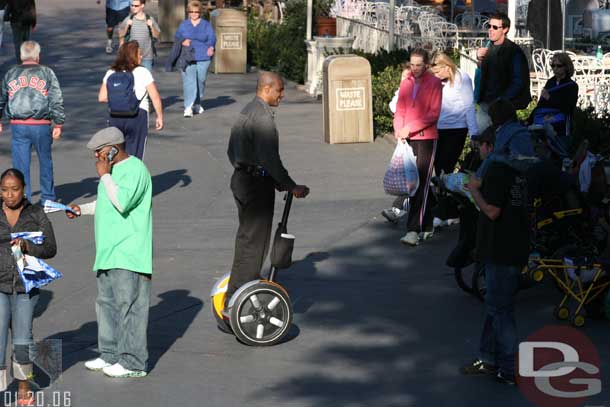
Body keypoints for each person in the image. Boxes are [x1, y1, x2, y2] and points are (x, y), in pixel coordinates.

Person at [66, 127, 152, 378]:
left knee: (129, 306)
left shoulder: (136, 169)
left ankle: (133, 362)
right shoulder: (111, 174)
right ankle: (110, 354)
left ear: (113, 149)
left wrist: (105, 176)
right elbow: (106, 203)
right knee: (106, 305)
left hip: (129, 252)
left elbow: (122, 202)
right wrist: (82, 209)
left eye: (99, 153)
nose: (97, 159)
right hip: (108, 251)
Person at [225, 72, 309, 305]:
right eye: (280, 90)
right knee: (254, 244)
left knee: (246, 239)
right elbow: (270, 159)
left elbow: (231, 150)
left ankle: (238, 288)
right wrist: (291, 186)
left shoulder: (247, 110)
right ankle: (237, 295)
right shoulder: (262, 118)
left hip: (242, 179)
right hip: (255, 185)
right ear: (266, 89)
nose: (283, 95)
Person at [461, 129, 529, 386]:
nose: (478, 151)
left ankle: (509, 368)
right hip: (512, 247)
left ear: (490, 146)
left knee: (501, 310)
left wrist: (474, 190)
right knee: (495, 306)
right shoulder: (516, 170)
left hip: (501, 250)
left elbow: (492, 211)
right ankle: (488, 357)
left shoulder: (497, 172)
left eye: (480, 146)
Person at [0, 168, 57, 405]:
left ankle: (23, 387)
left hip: (26, 287)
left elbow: (51, 248)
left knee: (22, 340)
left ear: (24, 189)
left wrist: (28, 247)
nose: (9, 195)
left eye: (14, 189)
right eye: (4, 190)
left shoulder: (36, 213)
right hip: (0, 284)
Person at [0, 41, 65, 204]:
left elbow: (2, 98)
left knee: (20, 165)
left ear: (21, 56)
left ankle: (23, 200)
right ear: (38, 56)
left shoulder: (11, 73)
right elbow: (55, 99)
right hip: (41, 124)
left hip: (18, 125)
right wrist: (58, 123)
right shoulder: (47, 73)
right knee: (45, 161)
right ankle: (48, 198)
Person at [389, 48, 442, 246]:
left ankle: (413, 230)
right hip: (408, 138)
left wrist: (408, 129)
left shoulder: (435, 83)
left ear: (426, 65)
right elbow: (400, 110)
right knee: (415, 183)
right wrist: (399, 130)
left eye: (419, 65)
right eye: (412, 64)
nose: (415, 68)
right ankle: (427, 223)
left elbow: (433, 114)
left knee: (419, 184)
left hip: (427, 139)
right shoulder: (406, 82)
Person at [99, 40, 163, 159]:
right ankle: (133, 176)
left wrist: (119, 99)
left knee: (115, 154)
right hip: (138, 116)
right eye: (139, 54)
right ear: (133, 56)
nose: (141, 56)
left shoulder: (111, 72)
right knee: (135, 155)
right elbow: (155, 96)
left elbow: (102, 97)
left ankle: (117, 176)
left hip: (115, 116)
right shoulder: (143, 72)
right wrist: (159, 116)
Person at [476, 12, 531, 133]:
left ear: (505, 29)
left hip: (502, 106)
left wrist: (502, 100)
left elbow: (519, 81)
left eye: (495, 27)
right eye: (489, 26)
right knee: (480, 140)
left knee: (498, 141)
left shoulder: (514, 51)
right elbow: (485, 73)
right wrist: (480, 59)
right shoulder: (488, 47)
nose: (490, 30)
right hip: (486, 102)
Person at [175, 0, 216, 118]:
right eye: (191, 11)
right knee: (189, 81)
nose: (193, 14)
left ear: (200, 12)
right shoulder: (184, 24)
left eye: (196, 11)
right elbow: (177, 37)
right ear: (188, 12)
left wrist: (211, 47)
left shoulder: (205, 24)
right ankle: (188, 107)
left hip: (203, 55)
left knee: (200, 81)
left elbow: (212, 37)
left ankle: (197, 103)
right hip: (188, 56)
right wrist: (183, 41)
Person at [528, 52, 578, 141]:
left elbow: (568, 108)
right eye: (553, 66)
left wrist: (550, 98)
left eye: (558, 66)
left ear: (566, 67)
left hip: (560, 124)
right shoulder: (550, 82)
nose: (555, 69)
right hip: (544, 120)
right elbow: (541, 104)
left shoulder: (571, 86)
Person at [119, 0, 160, 72]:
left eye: (136, 6)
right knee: (132, 80)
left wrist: (151, 27)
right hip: (131, 57)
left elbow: (157, 35)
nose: (133, 7)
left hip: (146, 56)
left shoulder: (149, 19)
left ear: (142, 5)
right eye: (132, 5)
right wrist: (127, 26)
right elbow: (121, 35)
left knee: (146, 80)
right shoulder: (128, 19)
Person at [4, 0, 36, 64]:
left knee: (18, 44)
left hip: (16, 22)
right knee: (26, 43)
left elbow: (8, 10)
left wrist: (7, 18)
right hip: (27, 22)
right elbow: (33, 9)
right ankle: (27, 61)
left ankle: (20, 63)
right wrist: (33, 24)